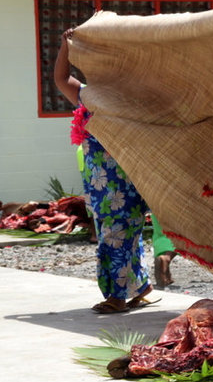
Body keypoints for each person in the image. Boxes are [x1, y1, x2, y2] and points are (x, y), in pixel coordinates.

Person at [55, 28, 155, 314]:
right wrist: (65, 45)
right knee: (123, 234)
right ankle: (140, 287)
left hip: (125, 182)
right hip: (102, 184)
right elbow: (61, 78)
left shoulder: (132, 101)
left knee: (115, 236)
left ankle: (116, 295)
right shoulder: (89, 96)